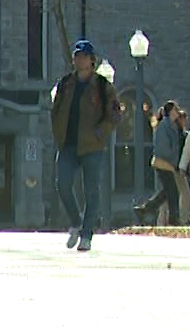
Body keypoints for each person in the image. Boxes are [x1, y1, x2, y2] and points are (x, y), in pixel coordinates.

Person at [49, 39, 121, 251]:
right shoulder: (65, 84)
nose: (79, 60)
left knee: (92, 191)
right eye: (77, 56)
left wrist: (101, 132)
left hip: (92, 146)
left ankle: (87, 234)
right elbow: (55, 109)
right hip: (68, 145)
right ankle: (76, 220)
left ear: (92, 60)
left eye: (84, 57)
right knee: (62, 184)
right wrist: (57, 132)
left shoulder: (102, 86)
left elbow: (115, 114)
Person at [133, 101, 184, 226]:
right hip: (163, 162)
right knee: (172, 191)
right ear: (171, 110)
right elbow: (162, 147)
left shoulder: (171, 125)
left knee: (167, 191)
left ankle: (144, 210)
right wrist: (171, 158)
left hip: (168, 163)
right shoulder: (164, 126)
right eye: (176, 109)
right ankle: (173, 218)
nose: (178, 111)